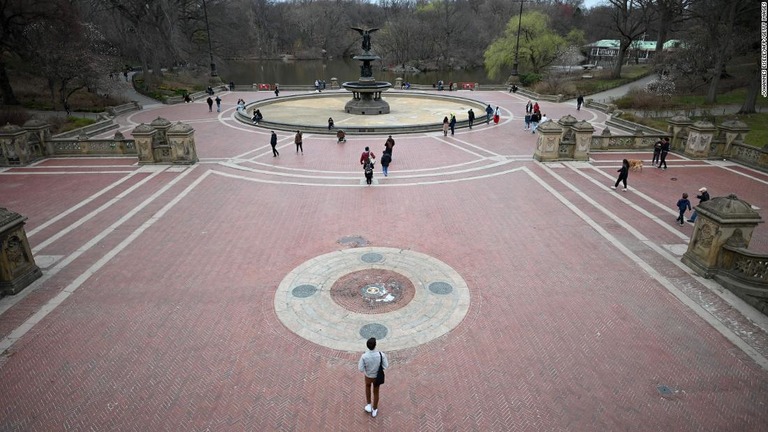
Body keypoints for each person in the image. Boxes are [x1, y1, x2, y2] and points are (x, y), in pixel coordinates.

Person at [358, 337, 388, 417]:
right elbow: (386, 365)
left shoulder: (364, 356)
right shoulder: (381, 355)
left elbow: (360, 368)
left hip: (368, 376)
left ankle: (368, 405)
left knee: (367, 387)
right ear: (375, 345)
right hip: (377, 377)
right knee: (376, 392)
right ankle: (375, 409)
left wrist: (366, 371)